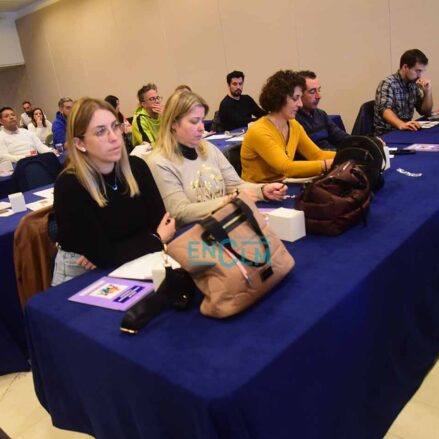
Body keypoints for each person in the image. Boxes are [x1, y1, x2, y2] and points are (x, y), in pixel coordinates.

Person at [52, 97, 175, 286]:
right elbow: (105, 255)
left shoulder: (137, 167)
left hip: (137, 263)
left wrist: (114, 251)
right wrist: (155, 239)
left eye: (115, 126)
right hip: (80, 275)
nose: (114, 137)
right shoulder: (70, 185)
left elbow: (163, 222)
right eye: (101, 131)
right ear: (80, 143)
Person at [147, 90, 287, 226]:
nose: (202, 128)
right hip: (192, 234)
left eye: (202, 120)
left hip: (222, 224)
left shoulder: (208, 148)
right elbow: (180, 212)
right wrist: (228, 202)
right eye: (194, 121)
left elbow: (234, 185)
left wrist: (262, 190)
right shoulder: (159, 162)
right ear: (173, 123)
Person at [241, 70, 335, 183]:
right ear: (280, 98)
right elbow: (286, 168)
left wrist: (347, 155)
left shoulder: (294, 125)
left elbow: (316, 155)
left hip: (281, 185)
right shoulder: (259, 131)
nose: (300, 104)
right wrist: (326, 165)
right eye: (295, 98)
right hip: (258, 190)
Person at [374, 49, 433, 135]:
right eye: (418, 71)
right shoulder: (388, 83)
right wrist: (401, 124)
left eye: (422, 71)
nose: (420, 75)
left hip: (405, 131)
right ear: (405, 67)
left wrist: (427, 92)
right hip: (387, 133)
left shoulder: (413, 84)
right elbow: (385, 110)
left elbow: (425, 112)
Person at [295, 71, 349, 149]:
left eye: (319, 90)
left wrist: (360, 143)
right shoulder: (294, 120)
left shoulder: (321, 114)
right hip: (320, 155)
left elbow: (341, 137)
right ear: (299, 94)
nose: (319, 96)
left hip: (333, 153)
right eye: (312, 92)